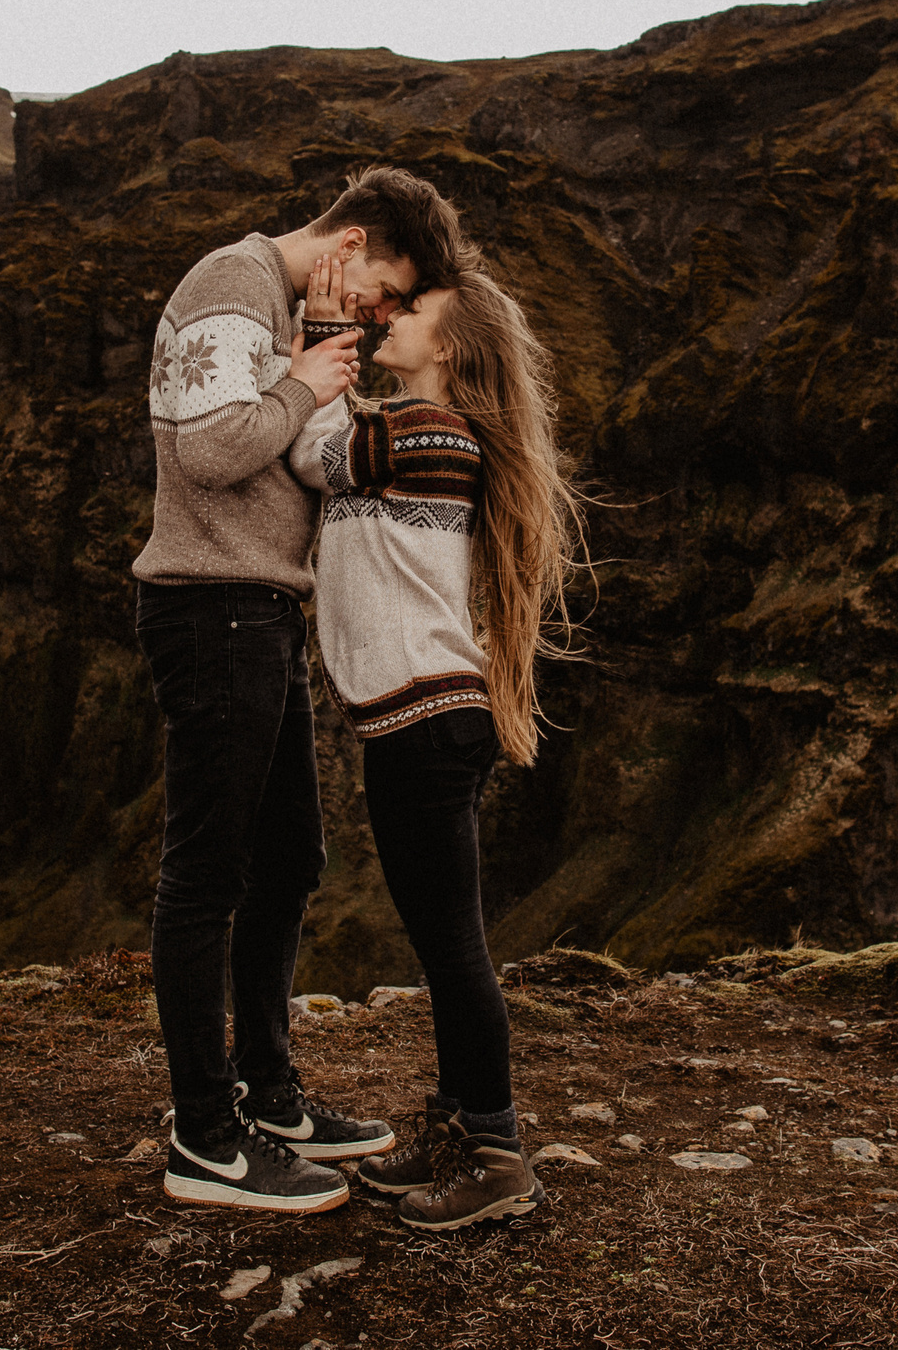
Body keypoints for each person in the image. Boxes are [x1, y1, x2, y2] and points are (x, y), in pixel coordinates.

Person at [136, 166, 473, 1214]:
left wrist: (310, 364)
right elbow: (209, 455)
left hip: (258, 610)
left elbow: (300, 444)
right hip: (213, 604)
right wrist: (305, 381)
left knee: (288, 859)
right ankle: (206, 1140)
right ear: (352, 238)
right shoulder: (232, 285)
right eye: (384, 289)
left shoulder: (279, 307)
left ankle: (269, 1094)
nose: (379, 315)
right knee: (209, 873)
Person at [289, 257, 583, 1230]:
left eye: (411, 310)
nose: (394, 317)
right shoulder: (424, 430)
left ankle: (497, 1156)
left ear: (448, 346)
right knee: (440, 941)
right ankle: (461, 1127)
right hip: (422, 719)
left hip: (424, 722)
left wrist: (323, 331)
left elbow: (312, 458)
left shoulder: (427, 429)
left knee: (453, 949)